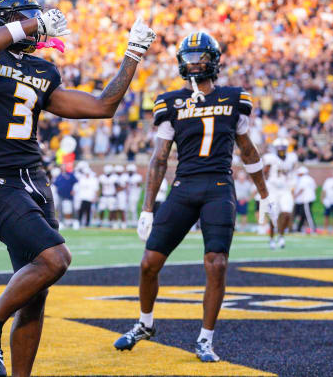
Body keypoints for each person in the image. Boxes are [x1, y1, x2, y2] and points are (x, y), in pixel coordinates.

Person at [0, 0, 156, 376]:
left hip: (35, 183)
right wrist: (31, 25)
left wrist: (133, 55)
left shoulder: (42, 69)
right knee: (56, 259)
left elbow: (102, 107)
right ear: (3, 20)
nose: (34, 23)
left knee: (35, 295)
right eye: (25, 15)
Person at [113, 32, 278, 363]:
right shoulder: (170, 101)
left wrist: (264, 194)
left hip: (218, 187)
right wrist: (147, 208)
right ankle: (145, 324)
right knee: (149, 263)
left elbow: (247, 149)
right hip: (183, 187)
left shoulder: (234, 98)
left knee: (216, 264)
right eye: (188, 57)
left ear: (213, 60)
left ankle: (205, 339)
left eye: (199, 56)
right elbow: (160, 157)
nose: (193, 63)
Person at [263, 138, 296, 249]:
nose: (281, 150)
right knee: (273, 215)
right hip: (273, 189)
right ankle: (272, 238)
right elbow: (264, 172)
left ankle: (281, 235)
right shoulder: (270, 158)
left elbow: (293, 171)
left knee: (287, 213)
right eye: (279, 148)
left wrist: (293, 186)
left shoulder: (291, 158)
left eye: (283, 148)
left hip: (286, 189)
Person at [293, 166, 317, 233]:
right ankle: (299, 228)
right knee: (302, 214)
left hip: (306, 199)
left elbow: (302, 189)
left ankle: (313, 228)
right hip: (308, 199)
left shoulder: (303, 179)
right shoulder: (310, 178)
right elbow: (315, 188)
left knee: (308, 214)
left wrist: (295, 196)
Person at [53, 164, 78, 228]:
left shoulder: (71, 175)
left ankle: (75, 221)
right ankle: (61, 222)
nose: (63, 168)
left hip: (70, 194)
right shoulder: (58, 176)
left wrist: (74, 190)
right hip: (61, 194)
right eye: (62, 166)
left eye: (64, 166)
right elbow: (55, 185)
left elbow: (76, 183)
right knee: (60, 208)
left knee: (73, 208)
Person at [76, 162, 99, 227]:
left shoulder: (93, 179)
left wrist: (95, 197)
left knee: (88, 211)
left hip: (90, 197)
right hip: (83, 197)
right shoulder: (82, 179)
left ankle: (87, 223)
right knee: (81, 210)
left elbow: (96, 189)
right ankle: (79, 222)